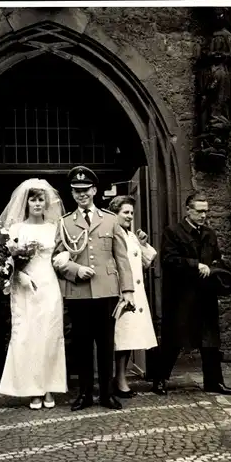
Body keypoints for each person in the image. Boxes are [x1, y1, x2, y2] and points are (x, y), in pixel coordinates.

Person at [52, 166, 135, 411]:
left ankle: (107, 394)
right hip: (78, 293)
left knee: (107, 344)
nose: (82, 195)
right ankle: (86, 394)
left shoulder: (110, 219)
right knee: (82, 345)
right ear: (72, 193)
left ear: (95, 190)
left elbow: (122, 257)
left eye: (86, 190)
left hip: (107, 291)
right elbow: (57, 258)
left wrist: (127, 290)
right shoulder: (65, 223)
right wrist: (76, 271)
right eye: (77, 191)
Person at [0, 179, 67, 409]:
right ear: (26, 202)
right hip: (24, 287)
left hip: (49, 286)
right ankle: (33, 389)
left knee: (50, 335)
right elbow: (3, 260)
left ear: (46, 202)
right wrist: (17, 275)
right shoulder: (16, 230)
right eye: (32, 199)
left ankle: (49, 387)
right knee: (28, 336)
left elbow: (61, 256)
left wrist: (64, 259)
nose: (37, 203)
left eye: (40, 199)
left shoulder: (54, 228)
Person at [153, 191, 231, 396]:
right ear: (188, 210)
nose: (203, 215)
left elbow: (216, 258)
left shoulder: (209, 234)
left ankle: (214, 382)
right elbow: (169, 260)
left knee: (210, 340)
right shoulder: (172, 232)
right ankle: (160, 380)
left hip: (206, 295)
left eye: (206, 211)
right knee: (174, 338)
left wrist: (215, 267)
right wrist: (195, 265)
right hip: (181, 295)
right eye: (199, 211)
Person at [108, 195, 158, 398]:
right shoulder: (111, 234)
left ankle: (120, 378)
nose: (129, 216)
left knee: (128, 338)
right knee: (121, 338)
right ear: (115, 214)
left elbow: (146, 263)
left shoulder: (130, 236)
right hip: (122, 293)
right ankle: (119, 380)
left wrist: (143, 244)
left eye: (131, 213)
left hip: (136, 293)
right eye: (125, 212)